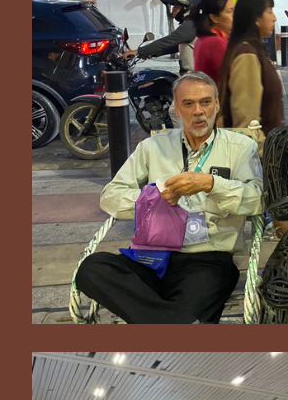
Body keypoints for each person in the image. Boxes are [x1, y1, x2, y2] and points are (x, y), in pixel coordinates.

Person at [74, 71, 262, 323]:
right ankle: (177, 322)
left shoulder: (240, 148)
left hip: (206, 260)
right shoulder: (153, 147)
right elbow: (110, 196)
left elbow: (258, 200)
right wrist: (152, 199)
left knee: (186, 307)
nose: (198, 111)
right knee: (91, 269)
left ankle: (163, 320)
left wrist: (211, 183)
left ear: (217, 105)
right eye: (188, 103)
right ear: (176, 108)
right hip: (150, 256)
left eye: (205, 102)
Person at [217, 0, 283, 134]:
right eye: (270, 12)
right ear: (256, 19)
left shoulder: (252, 49)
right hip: (257, 151)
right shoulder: (247, 55)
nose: (274, 18)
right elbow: (246, 122)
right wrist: (257, 152)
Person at [125, 0, 200, 72]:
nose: (173, 9)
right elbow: (173, 47)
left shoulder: (190, 26)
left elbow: (167, 41)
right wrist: (151, 53)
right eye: (173, 6)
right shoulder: (192, 24)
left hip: (195, 78)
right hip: (190, 76)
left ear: (187, 8)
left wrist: (138, 51)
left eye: (177, 6)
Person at [191, 0, 236, 85]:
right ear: (214, 17)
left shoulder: (204, 39)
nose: (235, 15)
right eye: (230, 11)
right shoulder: (215, 42)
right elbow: (233, 77)